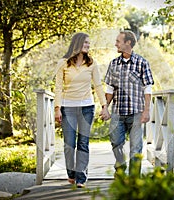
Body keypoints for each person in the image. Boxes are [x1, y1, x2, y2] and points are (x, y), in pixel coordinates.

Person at [54, 32, 109, 188]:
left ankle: (81, 178)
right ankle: (71, 173)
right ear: (77, 43)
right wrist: (57, 108)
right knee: (69, 144)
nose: (88, 45)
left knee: (83, 143)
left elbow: (98, 86)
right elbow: (58, 87)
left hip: (87, 107)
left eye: (89, 43)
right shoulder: (63, 63)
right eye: (85, 42)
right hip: (68, 108)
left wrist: (104, 105)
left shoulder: (92, 63)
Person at [103, 30, 154, 176]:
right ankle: (120, 169)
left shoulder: (142, 63)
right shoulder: (113, 64)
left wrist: (146, 110)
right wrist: (105, 107)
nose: (115, 44)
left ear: (128, 43)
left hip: (137, 112)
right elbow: (109, 88)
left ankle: (133, 179)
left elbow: (147, 88)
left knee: (136, 148)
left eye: (118, 41)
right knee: (115, 143)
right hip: (117, 112)